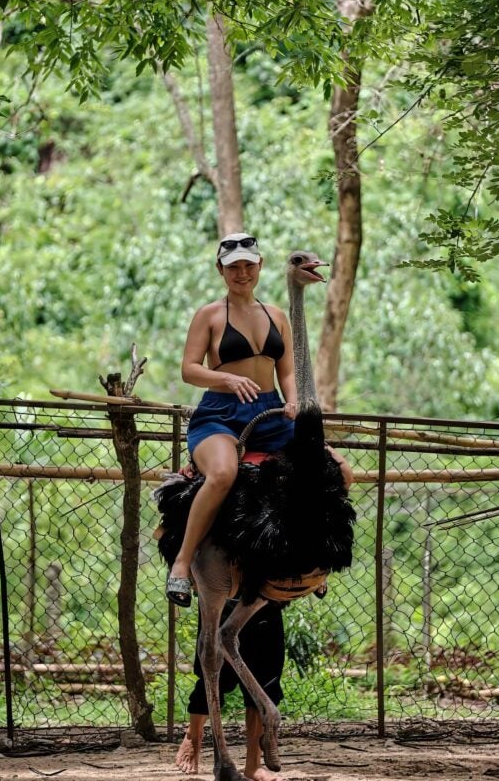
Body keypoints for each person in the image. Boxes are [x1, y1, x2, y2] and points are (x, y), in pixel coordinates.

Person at [166, 232, 298, 608]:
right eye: (233, 267)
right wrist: (226, 378)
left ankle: (309, 562)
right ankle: (181, 563)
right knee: (224, 472)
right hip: (220, 415)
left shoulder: (277, 316)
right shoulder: (209, 315)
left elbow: (288, 371)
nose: (242, 273)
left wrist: (293, 400)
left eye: (248, 265)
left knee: (331, 469)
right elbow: (189, 370)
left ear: (260, 266)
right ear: (220, 270)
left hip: (270, 413)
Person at [175, 600, 285, 781]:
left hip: (268, 598)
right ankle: (193, 734)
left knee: (265, 680)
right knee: (215, 673)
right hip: (225, 595)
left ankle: (254, 764)